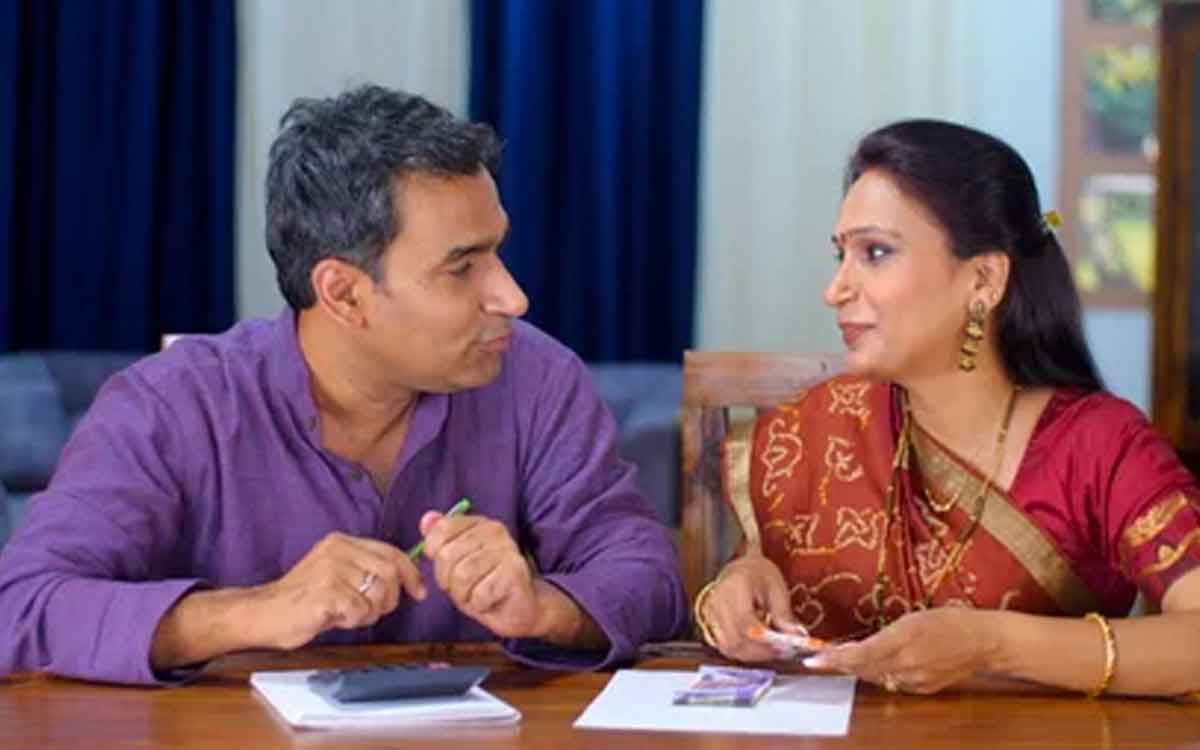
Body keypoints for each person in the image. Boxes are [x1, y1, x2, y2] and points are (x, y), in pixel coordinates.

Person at [0, 85, 687, 685]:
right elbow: (18, 607)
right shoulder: (170, 406)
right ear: (343, 293)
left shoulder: (535, 378)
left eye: (497, 251)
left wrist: (545, 608)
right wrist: (253, 612)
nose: (513, 297)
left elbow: (648, 578)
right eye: (462, 268)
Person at [695, 120, 1200, 698]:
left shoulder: (1098, 447)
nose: (835, 290)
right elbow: (757, 575)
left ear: (983, 279)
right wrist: (734, 587)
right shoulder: (817, 427)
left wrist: (992, 643)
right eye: (840, 255)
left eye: (875, 253)